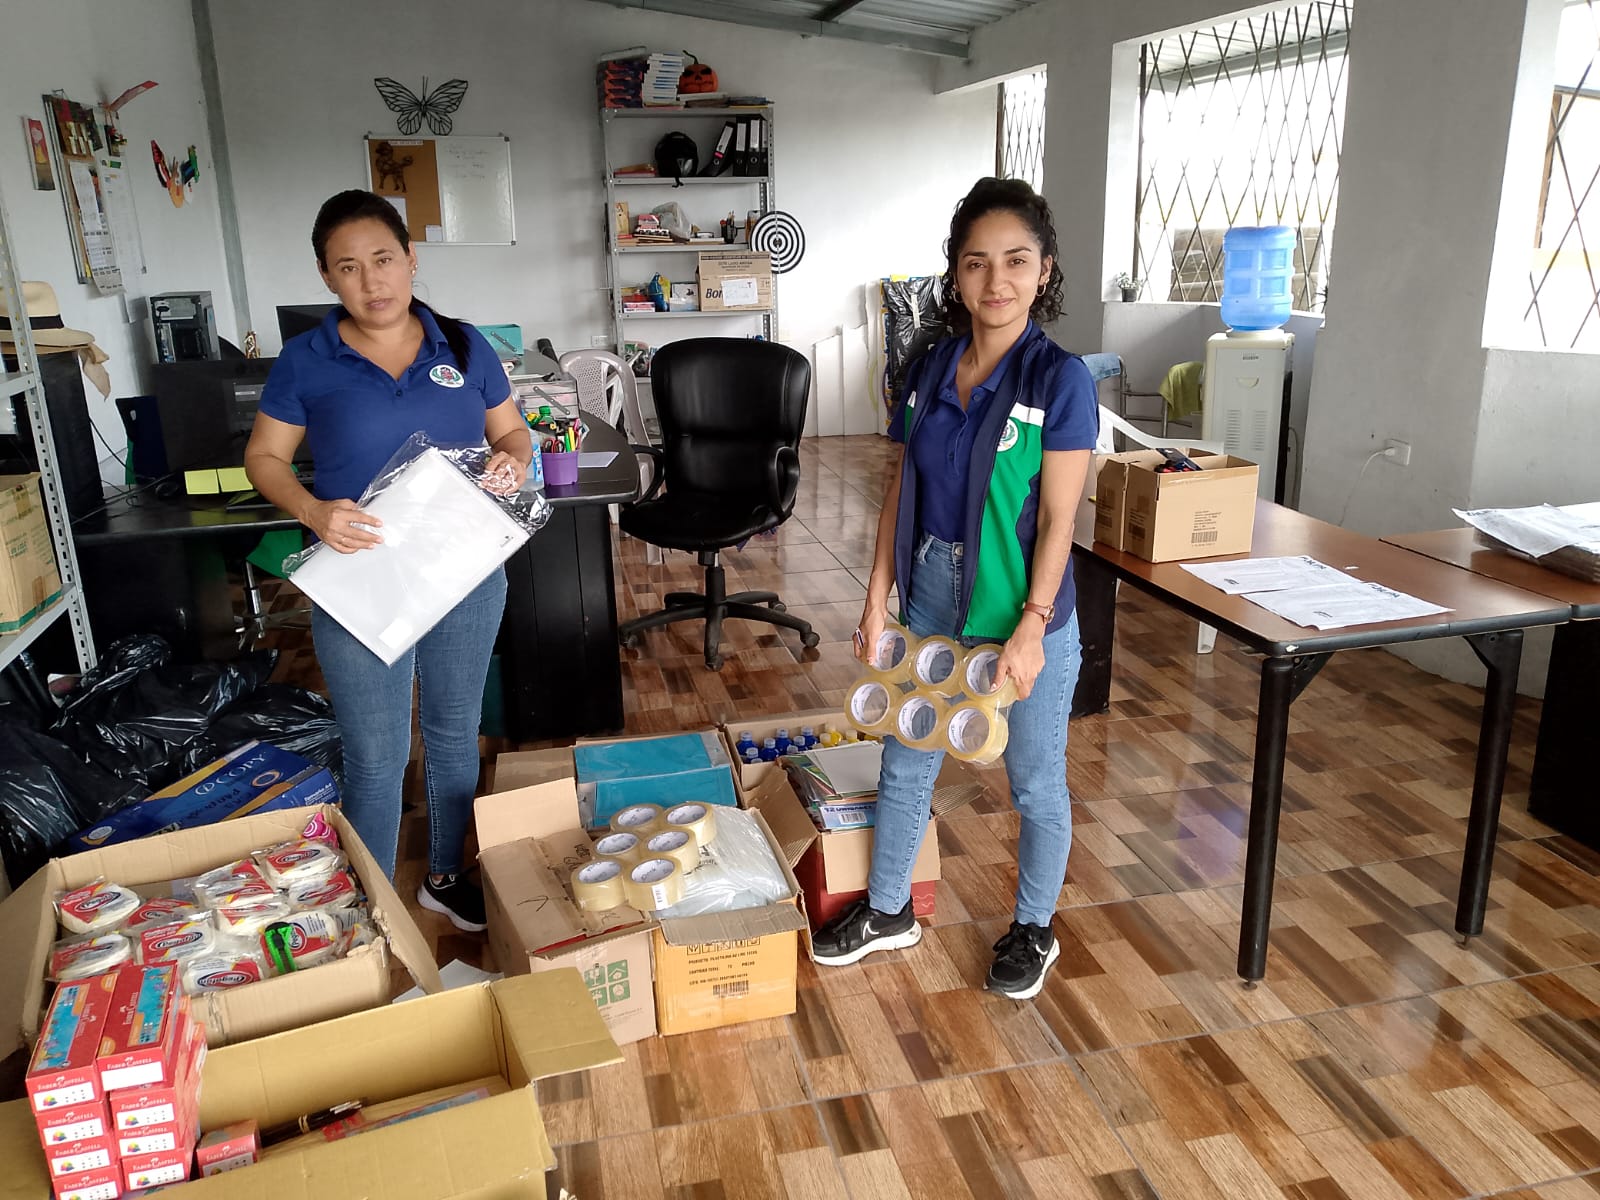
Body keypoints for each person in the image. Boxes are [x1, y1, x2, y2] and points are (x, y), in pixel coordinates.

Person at [810, 177, 1097, 1000]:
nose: (996, 280)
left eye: (1016, 260)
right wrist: (876, 597)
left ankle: (1034, 929)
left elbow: (1059, 518)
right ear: (956, 273)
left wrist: (1033, 625)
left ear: (1044, 270)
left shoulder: (1058, 381)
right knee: (907, 758)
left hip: (1021, 604)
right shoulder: (931, 366)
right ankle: (889, 909)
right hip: (933, 591)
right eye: (977, 262)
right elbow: (902, 484)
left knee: (1034, 781)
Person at [244, 189, 532, 932]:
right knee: (375, 752)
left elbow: (513, 435)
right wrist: (312, 510)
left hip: (463, 569)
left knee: (453, 732)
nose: (372, 281)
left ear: (410, 258)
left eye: (383, 259)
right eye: (348, 267)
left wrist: (512, 461)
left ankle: (445, 876)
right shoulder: (307, 360)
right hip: (358, 575)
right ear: (327, 277)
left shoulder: (463, 345)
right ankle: (370, 906)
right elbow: (265, 457)